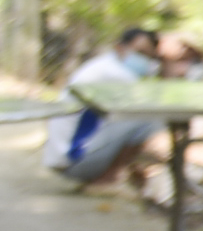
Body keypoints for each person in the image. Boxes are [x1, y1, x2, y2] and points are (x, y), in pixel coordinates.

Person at [43, 26, 161, 186]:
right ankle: (107, 179)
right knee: (150, 119)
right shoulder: (116, 75)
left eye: (149, 56)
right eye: (140, 53)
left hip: (64, 157)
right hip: (73, 160)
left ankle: (117, 174)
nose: (145, 61)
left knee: (137, 119)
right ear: (120, 47)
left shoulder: (103, 65)